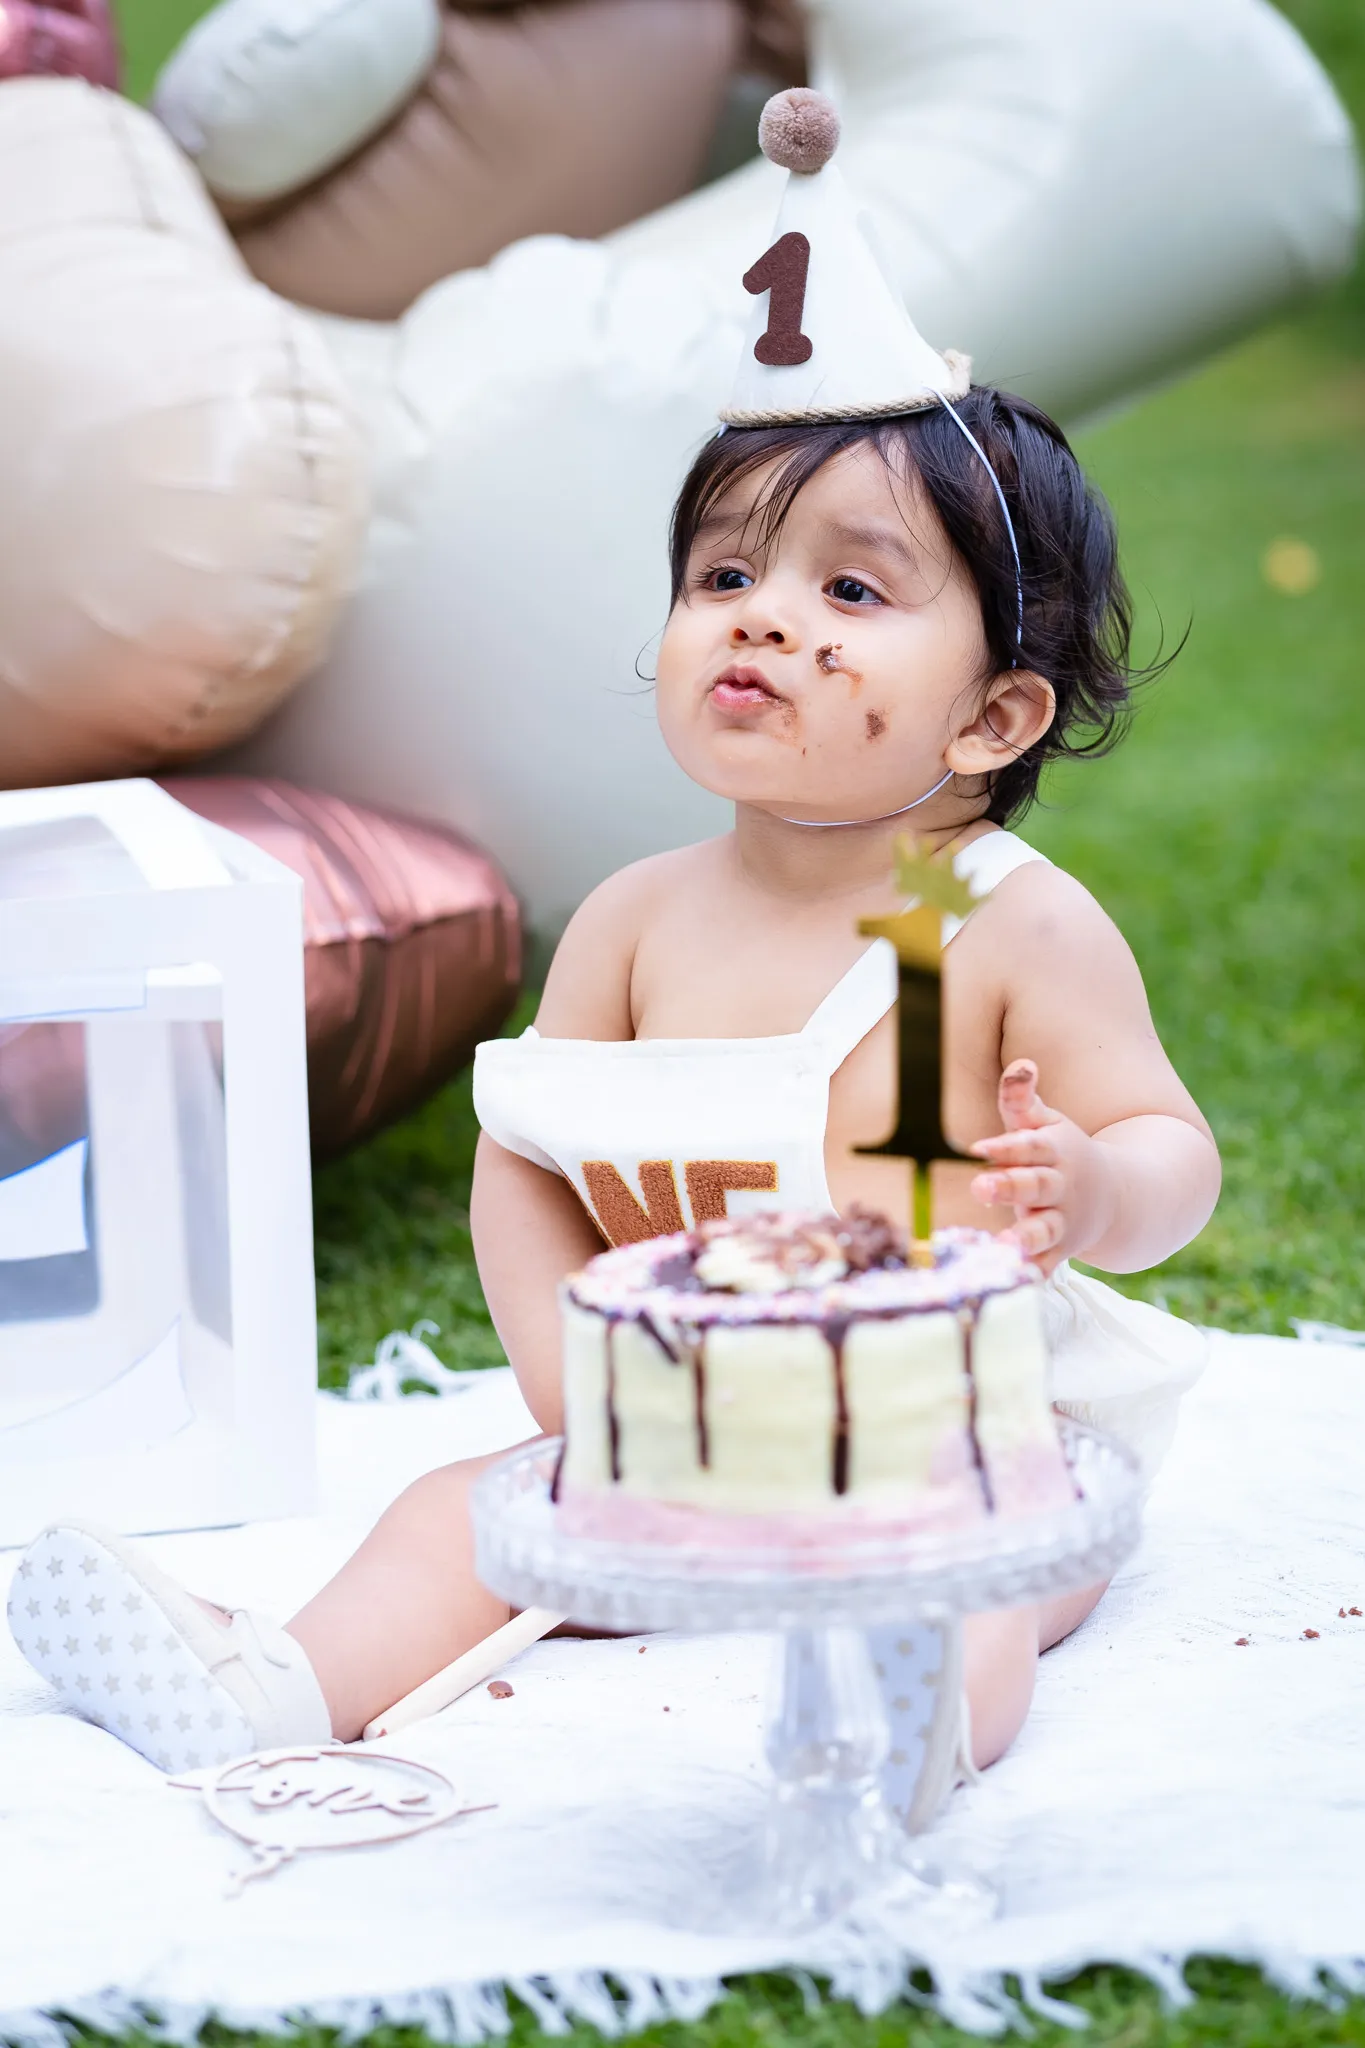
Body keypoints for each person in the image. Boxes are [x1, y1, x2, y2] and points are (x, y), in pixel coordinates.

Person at [8, 91, 1218, 1790]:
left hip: (963, 1421)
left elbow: (1173, 1150)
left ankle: (904, 1726)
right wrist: (569, 1383)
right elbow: (529, 1157)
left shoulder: (995, 924)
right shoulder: (641, 921)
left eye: (851, 591)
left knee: (979, 1568)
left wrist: (1092, 1189)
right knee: (462, 1517)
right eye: (724, 577)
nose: (764, 616)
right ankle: (274, 1683)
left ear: (991, 717)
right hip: (687, 1412)